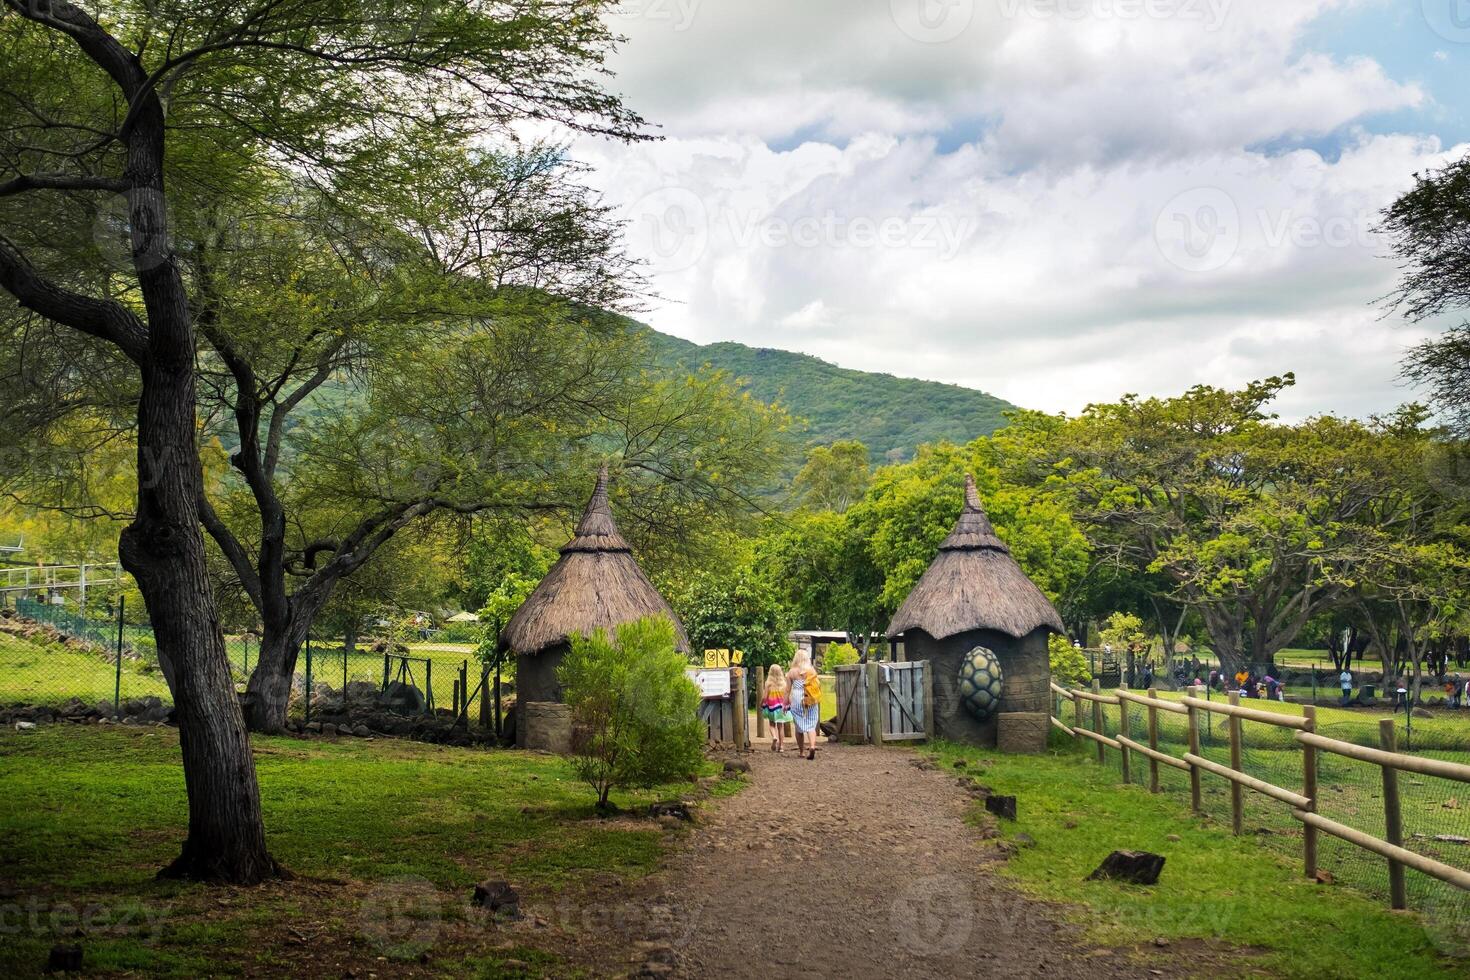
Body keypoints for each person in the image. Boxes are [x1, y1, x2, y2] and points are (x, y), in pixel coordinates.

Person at [787, 650, 823, 761]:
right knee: (811, 724)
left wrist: (785, 702)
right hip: (810, 698)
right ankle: (812, 746)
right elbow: (817, 685)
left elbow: (787, 690)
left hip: (797, 698)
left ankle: (802, 751)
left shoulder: (792, 672)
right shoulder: (811, 670)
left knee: (799, 727)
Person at [761, 665, 793, 752]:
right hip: (781, 708)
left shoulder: (768, 684)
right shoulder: (784, 683)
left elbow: (764, 697)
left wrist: (761, 703)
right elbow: (788, 696)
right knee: (781, 726)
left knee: (771, 724)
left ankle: (775, 737)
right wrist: (789, 703)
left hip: (771, 707)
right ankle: (781, 746)